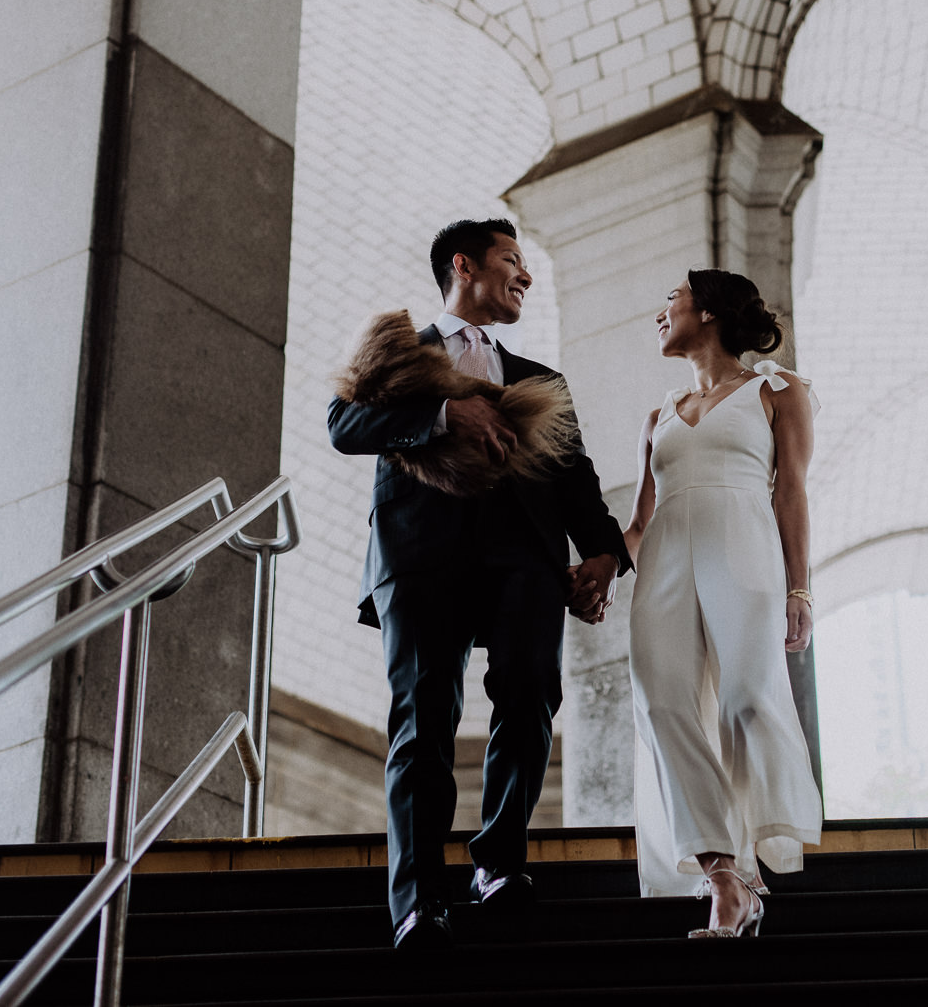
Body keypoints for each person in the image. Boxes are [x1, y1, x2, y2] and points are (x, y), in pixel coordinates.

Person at [328, 219, 630, 950]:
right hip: (420, 556)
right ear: (463, 265)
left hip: (524, 557)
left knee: (530, 696)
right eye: (512, 261)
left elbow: (575, 479)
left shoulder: (542, 379)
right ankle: (418, 901)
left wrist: (604, 553)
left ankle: (497, 862)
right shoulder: (401, 353)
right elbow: (344, 423)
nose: (525, 275)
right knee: (423, 719)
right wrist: (439, 413)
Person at [621, 268, 823, 938]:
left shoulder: (778, 390)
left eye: (669, 298)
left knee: (744, 700)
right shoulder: (657, 418)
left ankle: (750, 867)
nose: (660, 312)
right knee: (661, 704)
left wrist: (800, 587)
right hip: (664, 566)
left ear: (707, 311)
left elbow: (790, 491)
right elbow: (636, 525)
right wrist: (589, 568)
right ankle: (723, 877)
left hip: (744, 550)